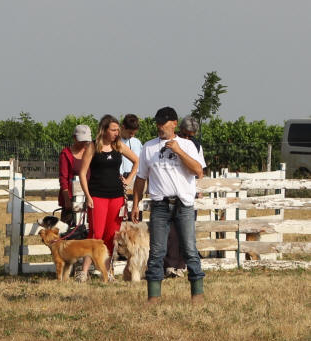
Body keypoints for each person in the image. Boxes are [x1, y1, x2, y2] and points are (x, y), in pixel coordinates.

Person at [131, 107, 206, 304]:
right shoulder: (149, 147)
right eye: (157, 123)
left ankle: (197, 294)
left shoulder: (188, 146)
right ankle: (153, 297)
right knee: (156, 252)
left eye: (163, 123)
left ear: (174, 123)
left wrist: (178, 151)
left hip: (183, 204)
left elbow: (198, 171)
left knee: (190, 249)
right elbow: (141, 179)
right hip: (160, 205)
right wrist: (135, 205)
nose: (159, 127)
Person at [78, 115, 138, 281]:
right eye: (113, 129)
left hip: (116, 196)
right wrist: (88, 196)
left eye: (118, 129)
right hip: (97, 195)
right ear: (104, 130)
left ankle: (108, 271)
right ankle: (84, 271)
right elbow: (82, 173)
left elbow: (136, 161)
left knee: (112, 235)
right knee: (96, 233)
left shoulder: (118, 146)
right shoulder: (92, 147)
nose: (116, 133)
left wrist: (128, 179)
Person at [163, 116, 204, 278]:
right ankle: (169, 265)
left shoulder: (195, 146)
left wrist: (198, 188)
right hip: (171, 192)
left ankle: (181, 265)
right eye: (185, 134)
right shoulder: (170, 144)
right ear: (179, 130)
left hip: (187, 193)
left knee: (185, 232)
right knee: (170, 231)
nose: (187, 138)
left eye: (191, 135)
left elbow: (200, 169)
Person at [58, 125, 91, 226]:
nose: (84, 143)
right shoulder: (66, 154)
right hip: (71, 198)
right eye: (81, 140)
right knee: (68, 230)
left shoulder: (90, 152)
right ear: (74, 138)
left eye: (86, 141)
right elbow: (63, 178)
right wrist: (67, 200)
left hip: (88, 197)